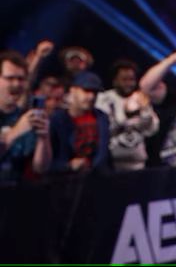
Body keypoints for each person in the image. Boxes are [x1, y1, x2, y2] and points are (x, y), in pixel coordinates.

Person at [96, 59, 158, 171]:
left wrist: (145, 110)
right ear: (115, 80)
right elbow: (104, 129)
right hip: (112, 165)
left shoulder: (140, 98)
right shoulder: (104, 99)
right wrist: (127, 117)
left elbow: (152, 129)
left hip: (138, 163)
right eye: (124, 80)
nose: (129, 83)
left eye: (132, 79)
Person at [0, 50, 52, 182]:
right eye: (10, 78)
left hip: (16, 193)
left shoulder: (25, 116)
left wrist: (43, 138)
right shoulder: (22, 123)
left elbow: (40, 167)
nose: (16, 84)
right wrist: (16, 131)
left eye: (21, 79)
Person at [50, 71, 109, 173]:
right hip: (64, 180)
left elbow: (103, 154)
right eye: (86, 91)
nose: (91, 97)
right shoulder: (57, 120)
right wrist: (68, 165)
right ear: (73, 90)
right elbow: (46, 161)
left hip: (96, 178)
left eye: (95, 92)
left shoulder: (102, 118)